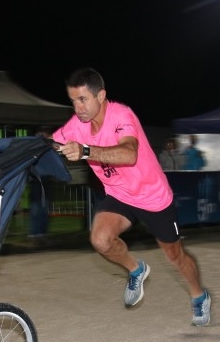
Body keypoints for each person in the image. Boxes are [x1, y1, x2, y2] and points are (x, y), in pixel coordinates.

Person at [51, 67, 211, 326]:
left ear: (100, 95)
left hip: (153, 197)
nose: (77, 107)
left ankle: (199, 296)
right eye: (73, 101)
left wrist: (85, 151)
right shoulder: (76, 125)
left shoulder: (122, 115)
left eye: (83, 99)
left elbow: (129, 154)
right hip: (120, 195)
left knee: (175, 256)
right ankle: (136, 270)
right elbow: (52, 144)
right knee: (100, 239)